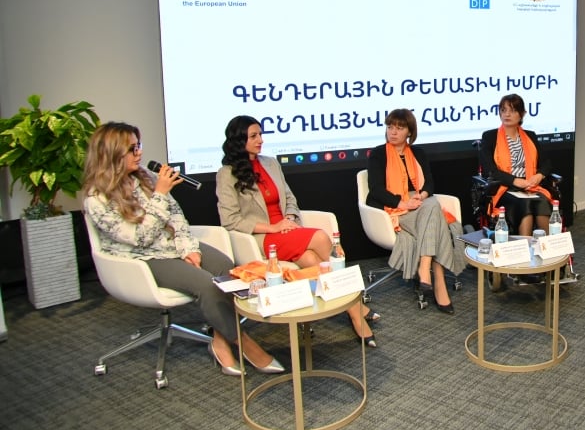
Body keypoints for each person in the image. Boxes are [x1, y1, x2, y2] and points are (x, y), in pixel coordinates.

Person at [82, 122, 282, 377]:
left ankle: (220, 342)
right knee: (208, 285)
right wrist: (160, 195)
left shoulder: (144, 177)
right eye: (132, 149)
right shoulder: (96, 199)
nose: (139, 153)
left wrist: (190, 247)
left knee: (228, 270)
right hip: (144, 259)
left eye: (138, 146)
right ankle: (247, 346)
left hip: (173, 245)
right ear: (111, 153)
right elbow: (139, 237)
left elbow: (176, 217)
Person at [216, 115, 378, 347]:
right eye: (253, 136)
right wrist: (273, 227)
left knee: (312, 259)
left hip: (287, 230)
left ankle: (354, 310)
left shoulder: (270, 163)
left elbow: (290, 198)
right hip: (263, 237)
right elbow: (230, 220)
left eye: (261, 134)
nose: (260, 140)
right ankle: (355, 308)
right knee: (321, 237)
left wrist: (289, 218)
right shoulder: (227, 173)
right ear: (239, 140)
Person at [366, 108, 466, 314]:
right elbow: (376, 189)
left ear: (409, 132)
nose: (393, 132)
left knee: (430, 205)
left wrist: (422, 195)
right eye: (390, 127)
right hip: (392, 209)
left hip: (419, 205)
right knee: (434, 210)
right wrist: (403, 203)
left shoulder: (418, 153)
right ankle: (439, 282)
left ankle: (426, 269)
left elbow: (429, 182)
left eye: (399, 128)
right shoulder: (378, 154)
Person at [480, 93, 556, 237]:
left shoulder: (530, 136)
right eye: (503, 110)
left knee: (542, 203)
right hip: (505, 188)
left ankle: (548, 250)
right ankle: (525, 252)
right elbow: (490, 170)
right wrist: (515, 181)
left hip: (531, 186)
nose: (507, 114)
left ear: (522, 114)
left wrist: (538, 176)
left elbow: (546, 163)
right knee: (525, 205)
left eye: (513, 110)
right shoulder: (490, 137)